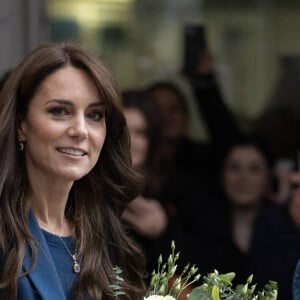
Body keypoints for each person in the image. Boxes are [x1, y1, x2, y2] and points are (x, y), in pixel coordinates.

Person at [0, 42, 145, 299]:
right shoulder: (4, 234)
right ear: (21, 124)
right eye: (59, 111)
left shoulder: (106, 236)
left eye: (95, 115)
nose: (80, 130)